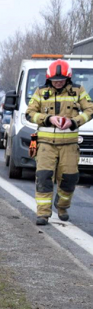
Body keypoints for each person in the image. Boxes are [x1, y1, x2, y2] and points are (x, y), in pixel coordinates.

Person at [25, 59, 93, 225]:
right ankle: (43, 213)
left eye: (61, 80)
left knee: (70, 179)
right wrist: (48, 118)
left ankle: (62, 206)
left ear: (68, 78)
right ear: (49, 79)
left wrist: (74, 121)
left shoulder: (78, 91)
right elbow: (29, 113)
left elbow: (90, 109)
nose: (58, 83)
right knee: (43, 177)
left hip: (69, 146)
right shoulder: (40, 92)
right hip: (46, 145)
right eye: (55, 81)